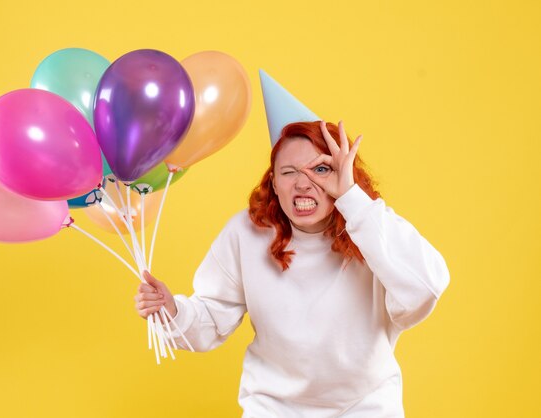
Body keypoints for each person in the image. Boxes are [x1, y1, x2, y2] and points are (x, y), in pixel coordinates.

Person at [134, 120, 450, 417]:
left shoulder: (371, 228)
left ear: (344, 175)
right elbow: (211, 317)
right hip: (274, 408)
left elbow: (424, 289)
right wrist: (172, 310)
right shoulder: (246, 233)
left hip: (366, 406)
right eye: (289, 172)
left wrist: (354, 201)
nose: (303, 184)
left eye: (321, 169)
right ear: (273, 182)